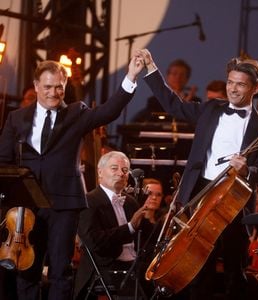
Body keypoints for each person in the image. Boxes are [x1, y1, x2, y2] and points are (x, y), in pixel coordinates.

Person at [134, 49, 258, 299]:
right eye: (230, 83)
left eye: (241, 85)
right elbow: (173, 104)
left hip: (235, 201)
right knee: (198, 268)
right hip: (200, 191)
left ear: (255, 88)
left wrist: (247, 170)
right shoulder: (211, 109)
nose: (233, 89)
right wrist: (151, 68)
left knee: (235, 269)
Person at [0, 55, 144, 300]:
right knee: (27, 271)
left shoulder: (76, 113)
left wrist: (130, 77)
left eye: (58, 87)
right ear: (36, 86)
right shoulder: (17, 117)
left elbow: (109, 111)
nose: (53, 92)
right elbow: (3, 160)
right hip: (26, 205)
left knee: (60, 270)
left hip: (63, 204)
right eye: (47, 87)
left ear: (64, 86)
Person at [73, 151, 148, 299]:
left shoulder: (131, 202)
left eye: (125, 170)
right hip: (106, 267)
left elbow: (145, 238)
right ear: (100, 172)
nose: (121, 173)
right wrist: (130, 227)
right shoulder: (88, 201)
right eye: (114, 168)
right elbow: (95, 241)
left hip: (133, 266)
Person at [131, 58, 201, 123]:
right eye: (174, 74)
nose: (178, 77)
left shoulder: (195, 101)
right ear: (167, 77)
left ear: (187, 78)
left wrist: (188, 101)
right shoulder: (155, 101)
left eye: (182, 75)